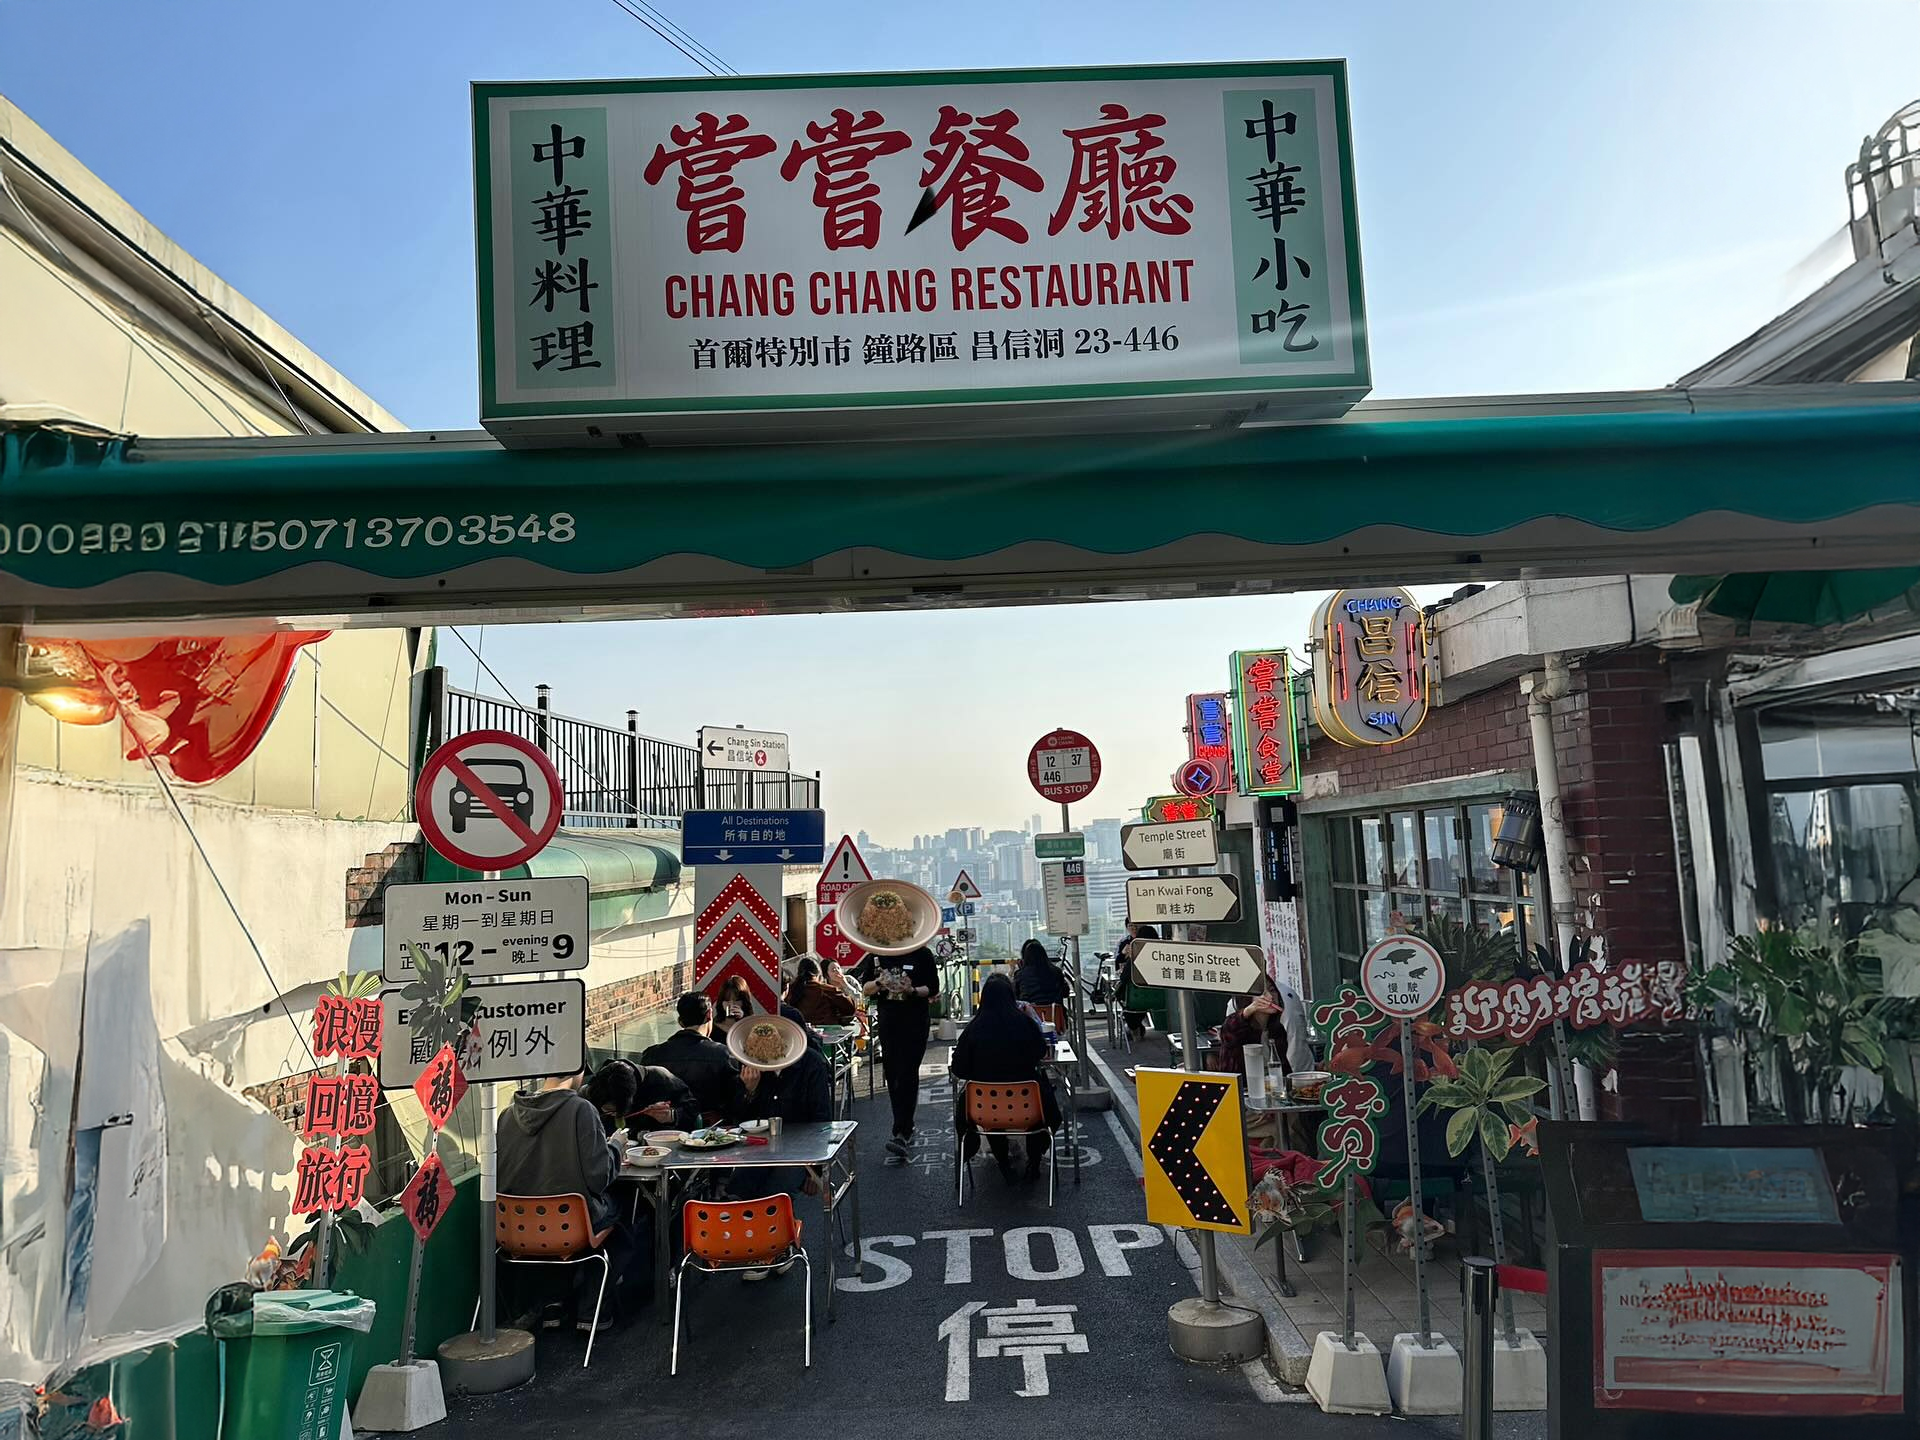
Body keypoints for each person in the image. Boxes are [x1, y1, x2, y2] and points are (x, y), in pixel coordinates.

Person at [496, 1069, 647, 1327]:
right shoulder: (581, 1110)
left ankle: (551, 1302)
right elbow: (599, 1177)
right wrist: (616, 1146)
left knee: (554, 1221)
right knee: (619, 1221)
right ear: (577, 1071)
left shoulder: (507, 1114)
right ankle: (592, 1311)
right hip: (569, 1226)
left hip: (513, 1228)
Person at [951, 974, 1060, 1184]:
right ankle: (1034, 1161)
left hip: (984, 1108)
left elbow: (959, 1068)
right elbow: (1040, 1051)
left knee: (991, 1121)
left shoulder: (974, 1029)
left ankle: (1004, 1164)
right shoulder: (1024, 1023)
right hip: (1028, 1104)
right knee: (1047, 1113)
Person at [854, 943, 938, 1165]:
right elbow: (865, 988)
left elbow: (932, 988)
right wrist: (881, 982)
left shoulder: (923, 953)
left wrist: (911, 990)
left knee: (908, 1071)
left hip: (915, 1020)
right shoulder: (876, 955)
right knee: (892, 1073)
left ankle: (902, 1130)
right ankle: (902, 1126)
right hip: (889, 1020)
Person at [641, 993, 747, 1121]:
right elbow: (736, 1105)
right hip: (711, 1132)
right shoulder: (724, 1055)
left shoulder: (651, 1055)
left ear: (680, 1021)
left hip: (664, 1133)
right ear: (709, 1015)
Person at [584, 1058, 700, 1139]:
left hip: (660, 1150)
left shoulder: (661, 1079)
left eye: (618, 1111)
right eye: (609, 1111)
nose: (614, 1115)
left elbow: (693, 1111)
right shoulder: (592, 1091)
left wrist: (671, 1116)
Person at [1213, 974, 1290, 1079]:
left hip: (1273, 1089)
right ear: (1247, 998)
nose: (1270, 997)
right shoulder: (1238, 1026)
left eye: (1272, 990)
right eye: (1261, 993)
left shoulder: (1277, 1030)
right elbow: (1228, 1032)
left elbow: (1284, 1068)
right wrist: (1249, 1010)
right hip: (1241, 1091)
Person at [1117, 923, 1162, 1039]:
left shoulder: (1135, 960)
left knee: (1131, 1002)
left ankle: (1135, 1029)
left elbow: (1123, 978)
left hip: (1136, 1001)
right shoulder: (1164, 958)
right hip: (1162, 1000)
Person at [786, 955, 858, 1027]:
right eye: (833, 970)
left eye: (838, 968)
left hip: (796, 1031)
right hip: (827, 1032)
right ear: (819, 974)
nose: (837, 971)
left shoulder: (790, 989)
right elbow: (850, 1008)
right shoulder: (827, 990)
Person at [1012, 938, 1068, 1008]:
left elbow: (1015, 997)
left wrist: (1021, 969)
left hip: (1030, 1016)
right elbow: (1066, 992)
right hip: (1055, 1015)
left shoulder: (1020, 975)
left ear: (1025, 957)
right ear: (1044, 955)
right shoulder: (1056, 971)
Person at [712, 975, 753, 1041]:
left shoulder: (751, 1026)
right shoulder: (712, 1027)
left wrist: (744, 1019)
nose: (732, 1004)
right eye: (727, 1000)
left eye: (737, 1000)